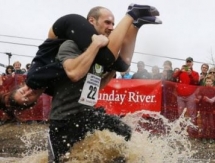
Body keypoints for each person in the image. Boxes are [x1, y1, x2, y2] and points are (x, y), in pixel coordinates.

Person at [8, 4, 162, 162]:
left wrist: (111, 71)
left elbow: (100, 81)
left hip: (88, 114)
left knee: (125, 136)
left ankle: (135, 23)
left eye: (112, 24)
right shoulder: (70, 45)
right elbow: (74, 74)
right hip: (64, 121)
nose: (111, 27)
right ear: (92, 22)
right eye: (107, 23)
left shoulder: (36, 78)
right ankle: (133, 17)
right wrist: (99, 51)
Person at [172, 57, 199, 124]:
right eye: (187, 62)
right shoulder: (181, 72)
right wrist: (180, 70)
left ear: (192, 63)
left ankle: (192, 131)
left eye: (190, 62)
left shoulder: (195, 73)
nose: (188, 63)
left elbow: (196, 82)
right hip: (180, 96)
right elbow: (174, 77)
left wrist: (190, 75)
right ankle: (181, 131)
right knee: (180, 113)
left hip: (190, 96)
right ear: (185, 63)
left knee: (192, 113)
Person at [195, 75, 215, 144]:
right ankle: (203, 137)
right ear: (205, 82)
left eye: (210, 81)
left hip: (211, 109)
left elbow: (214, 100)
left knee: (211, 123)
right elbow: (199, 96)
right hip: (203, 109)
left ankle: (211, 137)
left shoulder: (214, 89)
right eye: (207, 81)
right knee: (204, 123)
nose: (208, 82)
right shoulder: (202, 89)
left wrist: (210, 100)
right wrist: (198, 99)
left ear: (212, 82)